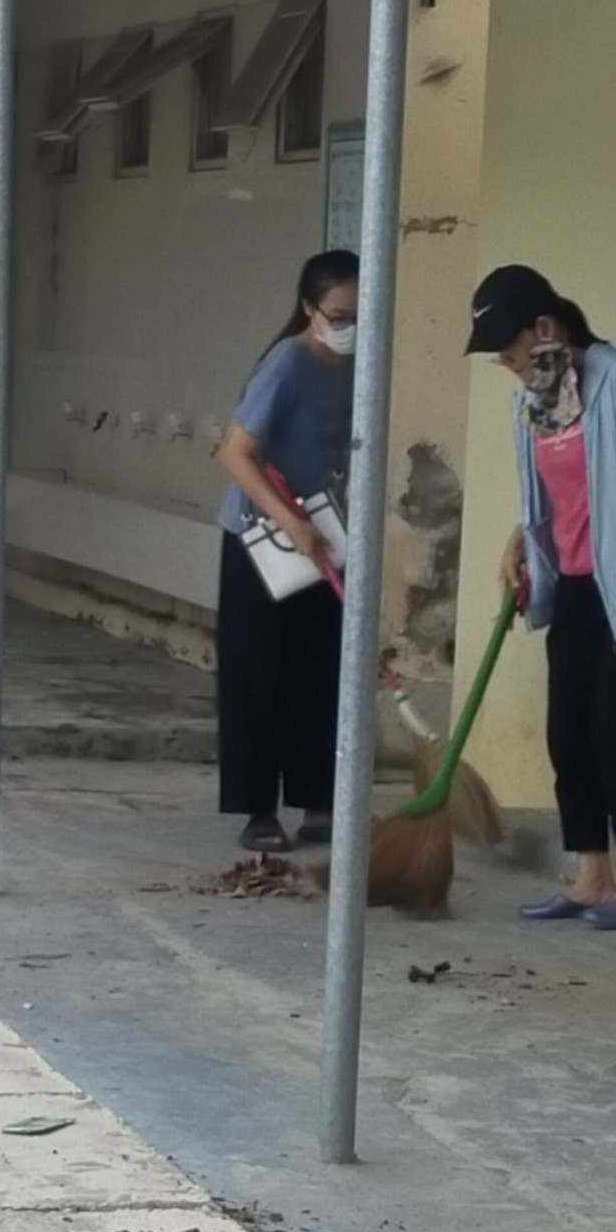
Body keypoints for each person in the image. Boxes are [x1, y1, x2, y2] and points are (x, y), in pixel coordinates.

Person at [466, 263, 616, 929]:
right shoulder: (535, 402)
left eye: (510, 349)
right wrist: (520, 541)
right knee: (568, 732)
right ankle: (592, 874)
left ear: (545, 327)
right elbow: (561, 489)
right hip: (571, 582)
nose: (508, 366)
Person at [215, 250, 359, 853]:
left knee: (323, 668)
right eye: (338, 316)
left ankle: (319, 798)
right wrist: (290, 520)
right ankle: (258, 810)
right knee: (261, 671)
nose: (349, 327)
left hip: (328, 532)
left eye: (359, 315)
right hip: (264, 538)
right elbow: (234, 452)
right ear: (309, 309)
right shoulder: (287, 363)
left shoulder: (359, 365)